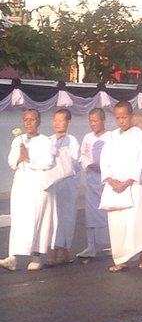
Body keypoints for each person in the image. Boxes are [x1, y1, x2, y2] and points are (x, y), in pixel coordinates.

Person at [100, 101, 142, 272]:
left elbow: (141, 161)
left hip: (133, 186)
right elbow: (104, 159)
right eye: (118, 118)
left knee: (136, 222)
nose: (121, 121)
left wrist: (127, 181)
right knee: (117, 225)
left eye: (124, 117)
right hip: (114, 186)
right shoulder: (111, 136)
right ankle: (121, 259)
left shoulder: (141, 136)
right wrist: (110, 179)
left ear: (131, 116)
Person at [0, 109, 56, 271]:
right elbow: (11, 161)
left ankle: (37, 256)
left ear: (38, 122)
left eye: (32, 119)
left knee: (38, 219)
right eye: (26, 120)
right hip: (21, 184)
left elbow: (48, 162)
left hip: (38, 185)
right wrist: (20, 157)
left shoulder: (46, 141)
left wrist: (29, 158)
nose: (28, 123)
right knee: (19, 219)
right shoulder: (18, 140)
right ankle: (13, 257)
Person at [47, 108, 81, 265]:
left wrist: (60, 161)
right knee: (53, 217)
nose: (57, 123)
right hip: (53, 185)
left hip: (67, 185)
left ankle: (66, 249)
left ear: (68, 122)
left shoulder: (72, 141)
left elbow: (74, 164)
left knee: (66, 217)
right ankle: (53, 251)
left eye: (61, 120)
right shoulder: (48, 140)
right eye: (55, 120)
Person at [77, 108, 110, 259]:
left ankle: (113, 244)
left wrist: (103, 167)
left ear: (103, 120)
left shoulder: (111, 136)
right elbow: (83, 156)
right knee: (91, 214)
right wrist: (89, 165)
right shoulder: (87, 137)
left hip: (107, 181)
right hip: (91, 180)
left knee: (109, 212)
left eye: (95, 121)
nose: (93, 124)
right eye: (90, 121)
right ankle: (91, 246)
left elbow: (115, 156)